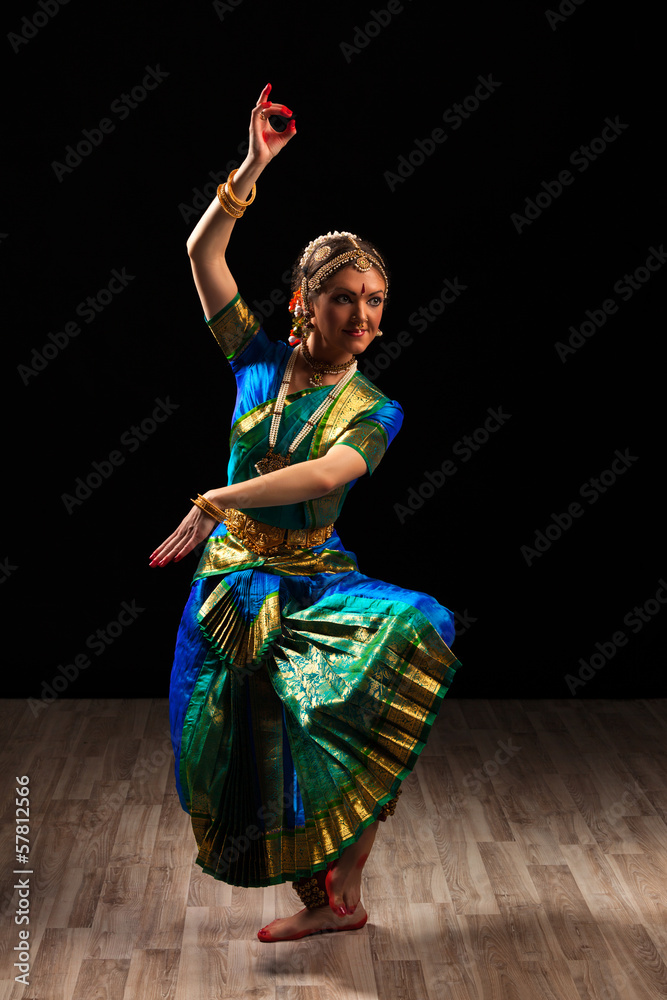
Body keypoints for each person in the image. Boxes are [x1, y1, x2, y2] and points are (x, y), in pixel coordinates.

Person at [150, 83, 462, 942]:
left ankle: (344, 886)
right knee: (232, 754)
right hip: (226, 587)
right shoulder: (254, 360)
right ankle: (321, 904)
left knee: (389, 667)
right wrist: (252, 166)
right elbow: (201, 253)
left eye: (375, 300)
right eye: (344, 298)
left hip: (311, 582)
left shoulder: (375, 408)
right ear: (304, 302)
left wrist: (219, 496)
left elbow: (325, 472)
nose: (362, 315)